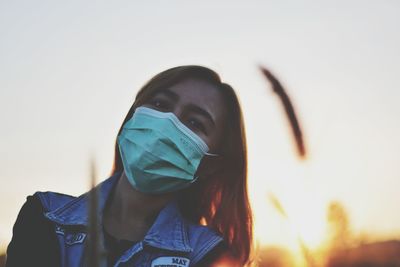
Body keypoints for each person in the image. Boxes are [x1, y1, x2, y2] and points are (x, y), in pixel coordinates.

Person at [6, 65, 253, 266]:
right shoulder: (45, 216)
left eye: (194, 122)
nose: (168, 122)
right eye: (159, 104)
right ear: (133, 116)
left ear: (211, 164)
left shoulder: (209, 255)